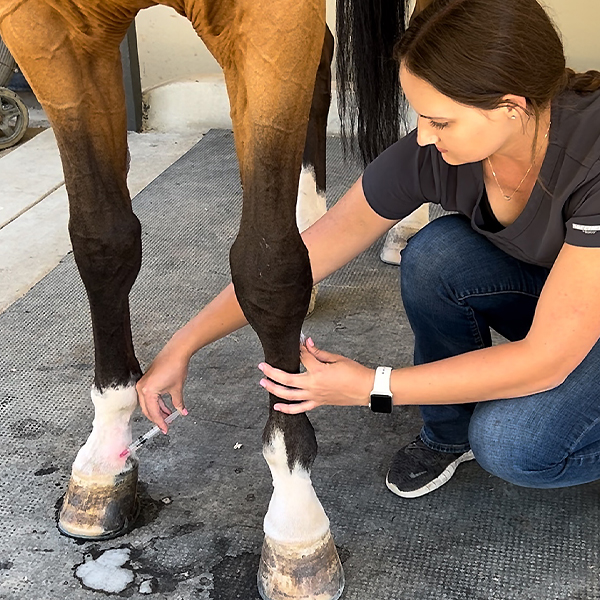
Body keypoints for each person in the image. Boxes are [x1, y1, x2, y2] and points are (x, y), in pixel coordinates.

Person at [137, 0, 600, 500]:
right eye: (419, 115)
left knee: (514, 444)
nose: (423, 136)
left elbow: (546, 359)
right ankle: (448, 435)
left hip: (569, 333)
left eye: (440, 122)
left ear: (512, 106)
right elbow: (308, 254)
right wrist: (182, 345)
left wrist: (371, 386)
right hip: (571, 306)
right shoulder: (435, 154)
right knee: (437, 254)